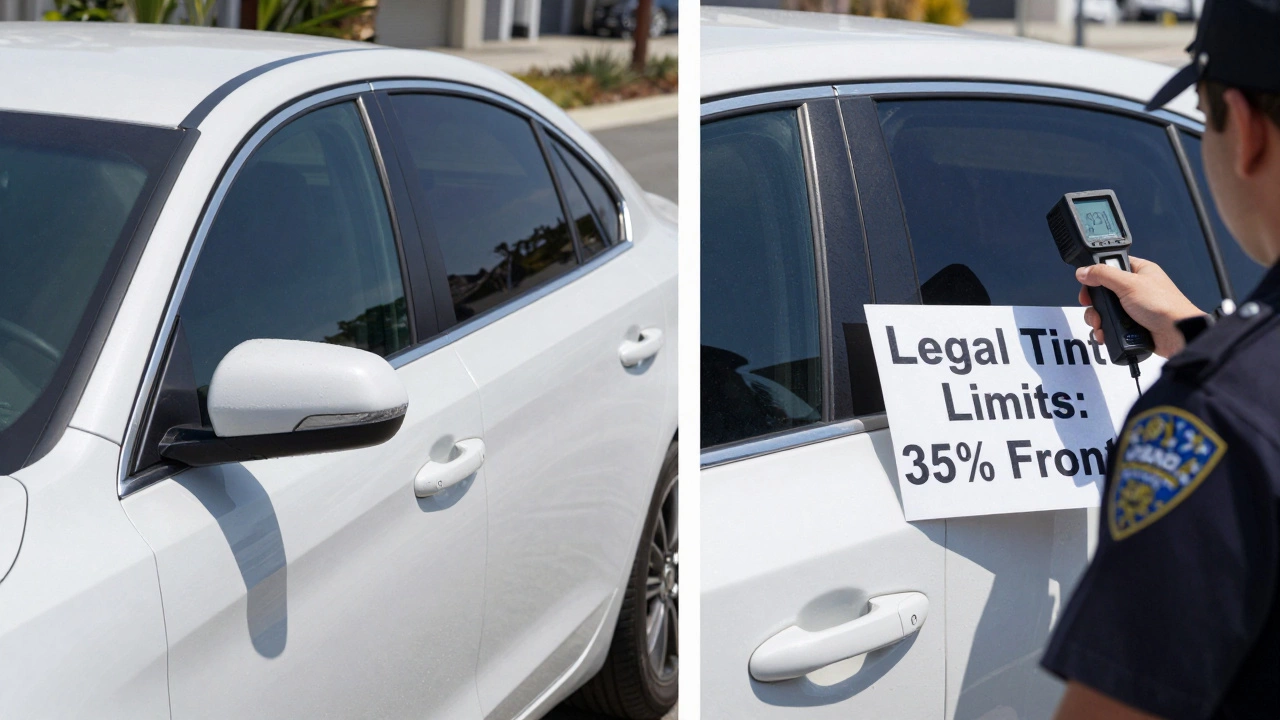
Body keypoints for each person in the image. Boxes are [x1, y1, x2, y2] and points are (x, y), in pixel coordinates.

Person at [1039, 1, 1280, 718]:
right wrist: (1199, 334)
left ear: (1245, 131)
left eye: (1204, 116)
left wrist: (1219, 373)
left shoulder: (1209, 424)